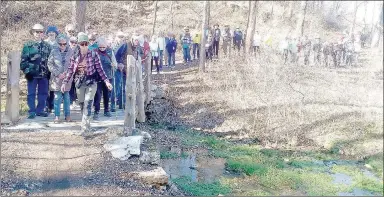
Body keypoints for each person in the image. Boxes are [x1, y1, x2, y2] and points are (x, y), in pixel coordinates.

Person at [62, 32, 113, 135]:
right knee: (81, 104)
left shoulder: (94, 54)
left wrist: (106, 81)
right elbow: (70, 70)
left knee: (88, 103)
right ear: (78, 44)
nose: (84, 46)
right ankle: (86, 124)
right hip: (80, 82)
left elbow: (100, 69)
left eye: (86, 44)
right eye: (82, 44)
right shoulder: (75, 55)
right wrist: (64, 82)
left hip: (91, 81)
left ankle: (85, 127)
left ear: (88, 44)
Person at [20, 24, 52, 119]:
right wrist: (27, 72)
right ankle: (32, 111)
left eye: (41, 32)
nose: (38, 34)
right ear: (33, 33)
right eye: (36, 32)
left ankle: (40, 110)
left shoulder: (47, 46)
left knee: (43, 93)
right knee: (31, 93)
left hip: (44, 74)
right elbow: (23, 61)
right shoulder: (28, 46)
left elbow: (51, 60)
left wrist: (49, 72)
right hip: (32, 74)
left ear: (43, 33)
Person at [47, 34, 74, 123]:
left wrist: (67, 73)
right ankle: (57, 116)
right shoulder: (53, 51)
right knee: (57, 97)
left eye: (64, 44)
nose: (62, 45)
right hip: (57, 79)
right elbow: (49, 64)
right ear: (57, 43)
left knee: (67, 97)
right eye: (60, 44)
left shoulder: (71, 51)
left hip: (67, 78)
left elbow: (73, 64)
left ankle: (68, 115)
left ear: (67, 43)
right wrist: (57, 74)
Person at [92, 37, 117, 119]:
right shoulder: (94, 52)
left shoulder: (110, 52)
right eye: (100, 47)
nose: (102, 49)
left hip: (108, 76)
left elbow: (114, 63)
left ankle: (106, 110)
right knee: (98, 95)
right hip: (97, 77)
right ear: (98, 46)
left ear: (106, 46)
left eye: (104, 47)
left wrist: (114, 65)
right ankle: (96, 111)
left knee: (107, 94)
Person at [44, 25, 60, 114]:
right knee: (45, 87)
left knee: (54, 87)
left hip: (55, 68)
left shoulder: (58, 44)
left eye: (53, 32)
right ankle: (46, 105)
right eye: (49, 32)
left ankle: (52, 104)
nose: (51, 34)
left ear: (55, 34)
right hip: (45, 68)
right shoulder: (44, 43)